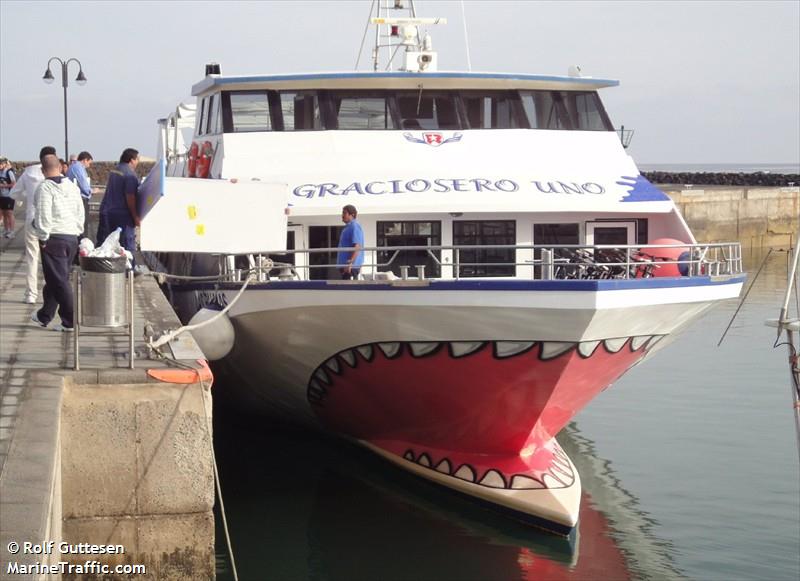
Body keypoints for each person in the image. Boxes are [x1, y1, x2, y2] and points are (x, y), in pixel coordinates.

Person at [30, 154, 84, 331]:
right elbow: (80, 211)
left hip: (54, 237)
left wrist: (43, 237)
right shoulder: (71, 185)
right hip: (71, 237)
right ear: (60, 167)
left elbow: (43, 214)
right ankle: (44, 315)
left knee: (59, 281)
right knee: (56, 278)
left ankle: (70, 320)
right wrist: (77, 231)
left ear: (43, 170)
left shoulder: (45, 187)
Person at [9, 145, 57, 303]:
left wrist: (28, 197)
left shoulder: (29, 172)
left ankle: (31, 294)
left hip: (32, 218)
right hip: (51, 221)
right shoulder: (56, 172)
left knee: (31, 257)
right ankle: (52, 292)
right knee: (51, 259)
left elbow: (13, 193)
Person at [97, 148, 140, 253]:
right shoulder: (130, 175)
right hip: (122, 216)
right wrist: (135, 217)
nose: (138, 162)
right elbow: (130, 197)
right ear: (132, 160)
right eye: (137, 159)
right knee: (126, 248)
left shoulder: (115, 170)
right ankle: (128, 269)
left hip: (107, 212)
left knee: (105, 246)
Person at [66, 151, 96, 241]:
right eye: (89, 163)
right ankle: (82, 243)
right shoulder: (78, 168)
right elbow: (84, 185)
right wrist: (92, 191)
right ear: (85, 160)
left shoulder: (73, 167)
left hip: (73, 197)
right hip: (80, 199)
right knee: (82, 222)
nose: (89, 166)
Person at [337, 204, 364, 280]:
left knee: (350, 290)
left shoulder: (354, 226)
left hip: (350, 268)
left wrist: (350, 263)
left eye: (344, 213)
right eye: (342, 213)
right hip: (346, 267)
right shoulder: (348, 227)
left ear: (352, 215)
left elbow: (357, 246)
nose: (342, 215)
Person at [0, 157, 17, 238]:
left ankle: (12, 231)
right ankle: (6, 230)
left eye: (0, 164)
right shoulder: (0, 172)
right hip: (2, 196)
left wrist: (3, 186)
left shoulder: (9, 172)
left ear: (4, 164)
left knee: (9, 213)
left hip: (9, 195)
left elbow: (14, 184)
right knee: (4, 213)